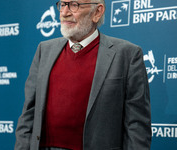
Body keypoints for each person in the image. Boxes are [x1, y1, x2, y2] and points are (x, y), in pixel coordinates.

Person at [15, 0, 151, 150]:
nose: (65, 13)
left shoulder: (127, 55)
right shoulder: (44, 50)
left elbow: (137, 125)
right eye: (62, 4)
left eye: (74, 5)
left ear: (97, 12)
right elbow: (28, 115)